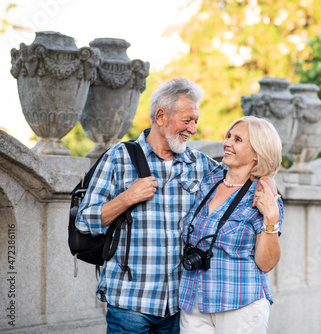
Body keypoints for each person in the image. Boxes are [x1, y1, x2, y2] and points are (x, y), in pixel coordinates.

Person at [75, 77, 225, 333]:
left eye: (195, 121)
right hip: (130, 304)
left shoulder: (201, 164)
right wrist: (127, 197)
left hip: (180, 307)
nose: (193, 129)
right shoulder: (118, 157)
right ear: (161, 116)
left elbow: (238, 183)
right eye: (187, 120)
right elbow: (85, 220)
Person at [178, 116, 284, 334]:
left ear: (257, 152)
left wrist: (271, 219)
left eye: (238, 139)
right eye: (228, 136)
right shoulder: (208, 181)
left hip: (239, 302)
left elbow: (266, 263)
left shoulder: (263, 196)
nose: (227, 143)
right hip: (193, 300)